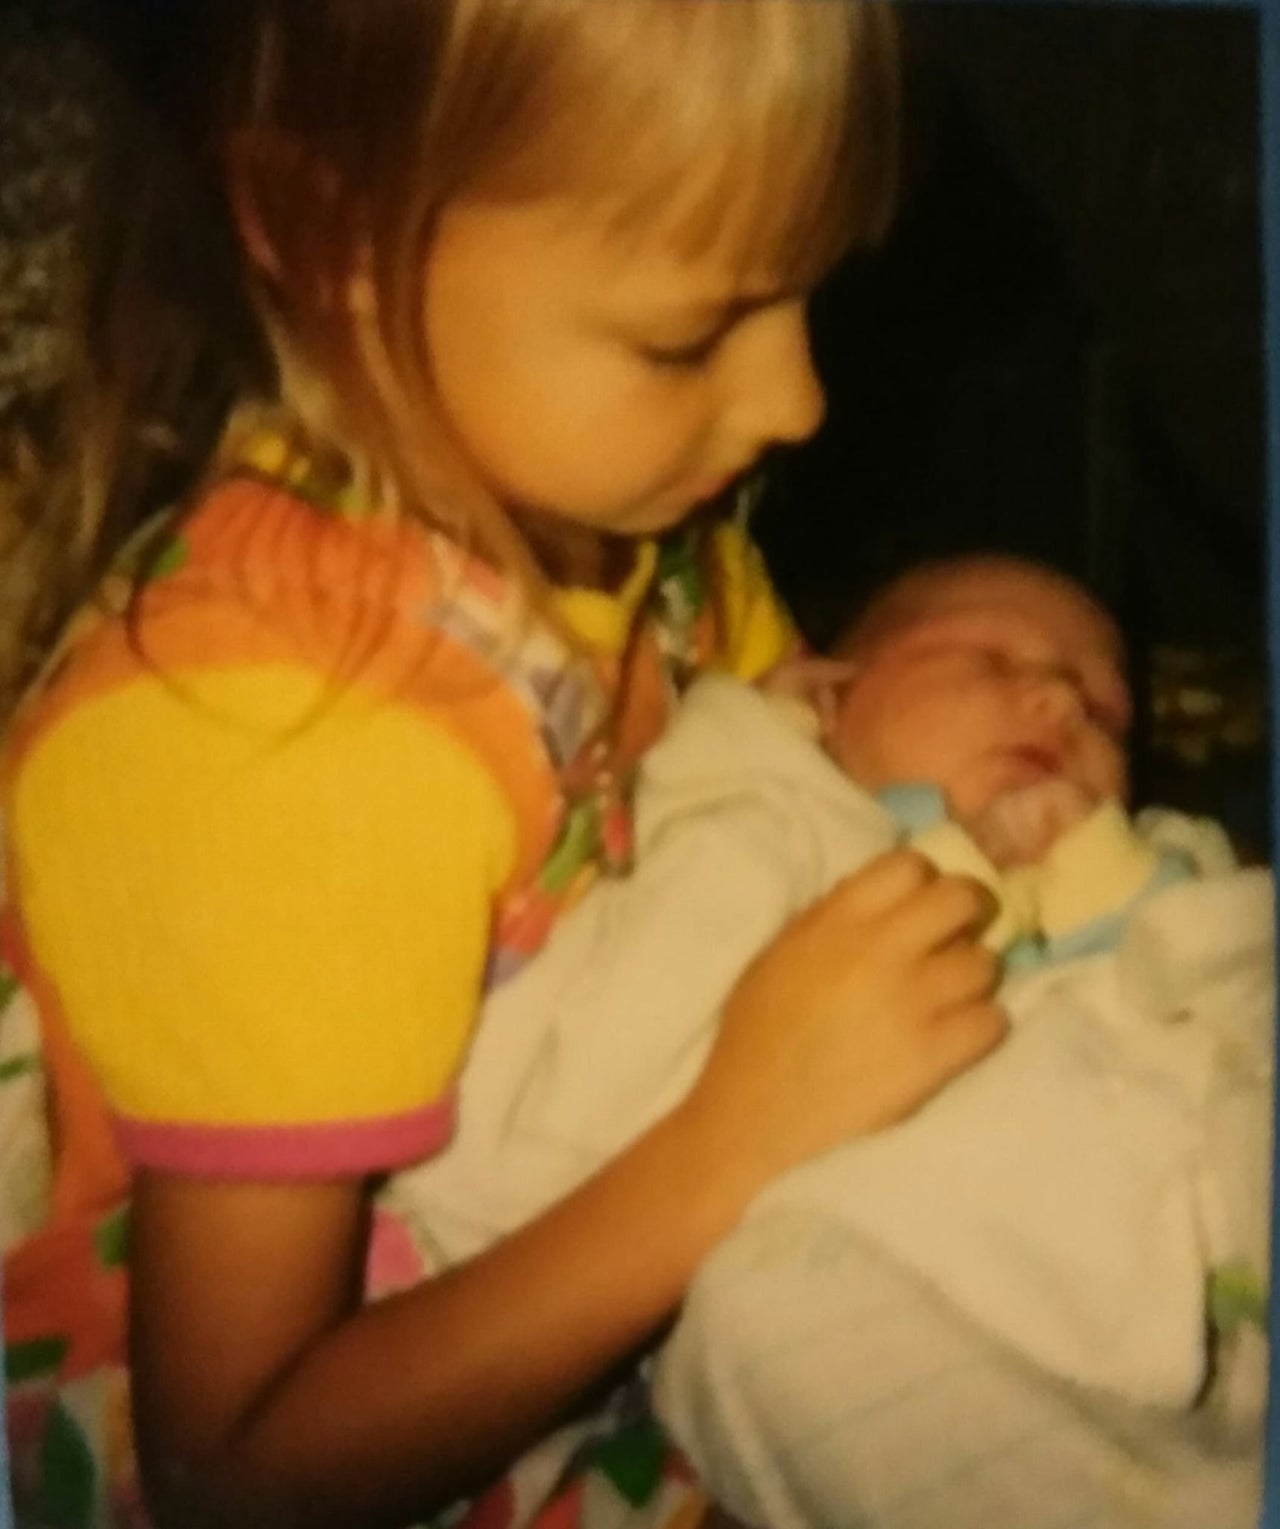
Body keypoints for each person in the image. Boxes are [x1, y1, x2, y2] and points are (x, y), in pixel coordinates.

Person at [0, 5, 1009, 1527]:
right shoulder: (280, 752)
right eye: (688, 334)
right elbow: (235, 1466)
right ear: (328, 237)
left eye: (809, 295)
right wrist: (734, 1142)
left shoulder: (626, 529)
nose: (799, 401)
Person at [387, 554, 1271, 1529]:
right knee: (765, 1326)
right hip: (918, 1307)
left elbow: (1214, 965)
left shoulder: (1148, 850)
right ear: (827, 694)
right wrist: (755, 751)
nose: (1061, 699)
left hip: (1179, 1237)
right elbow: (592, 1087)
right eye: (987, 658)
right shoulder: (761, 825)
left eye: (1105, 717)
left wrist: (1109, 884)